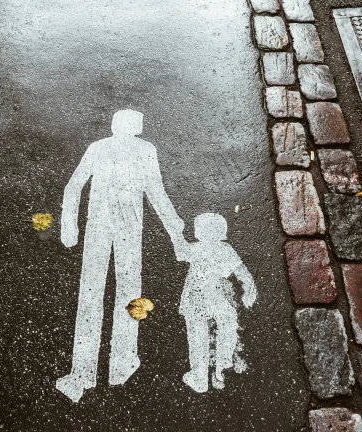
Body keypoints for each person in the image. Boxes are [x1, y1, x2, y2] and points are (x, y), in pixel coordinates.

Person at [57, 109, 185, 403]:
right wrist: (69, 226)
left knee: (108, 293)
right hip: (107, 229)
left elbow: (154, 191)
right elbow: (75, 186)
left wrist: (174, 229)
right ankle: (96, 369)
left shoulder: (132, 149)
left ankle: (111, 365)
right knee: (107, 293)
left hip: (118, 229)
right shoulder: (107, 149)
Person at [177, 213, 256, 393]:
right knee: (228, 320)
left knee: (198, 336)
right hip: (214, 297)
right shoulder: (226, 250)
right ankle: (223, 365)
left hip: (195, 298)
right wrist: (248, 291)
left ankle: (199, 376)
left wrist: (176, 233)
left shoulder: (197, 249)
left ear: (201, 232)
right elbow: (242, 273)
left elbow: (180, 252)